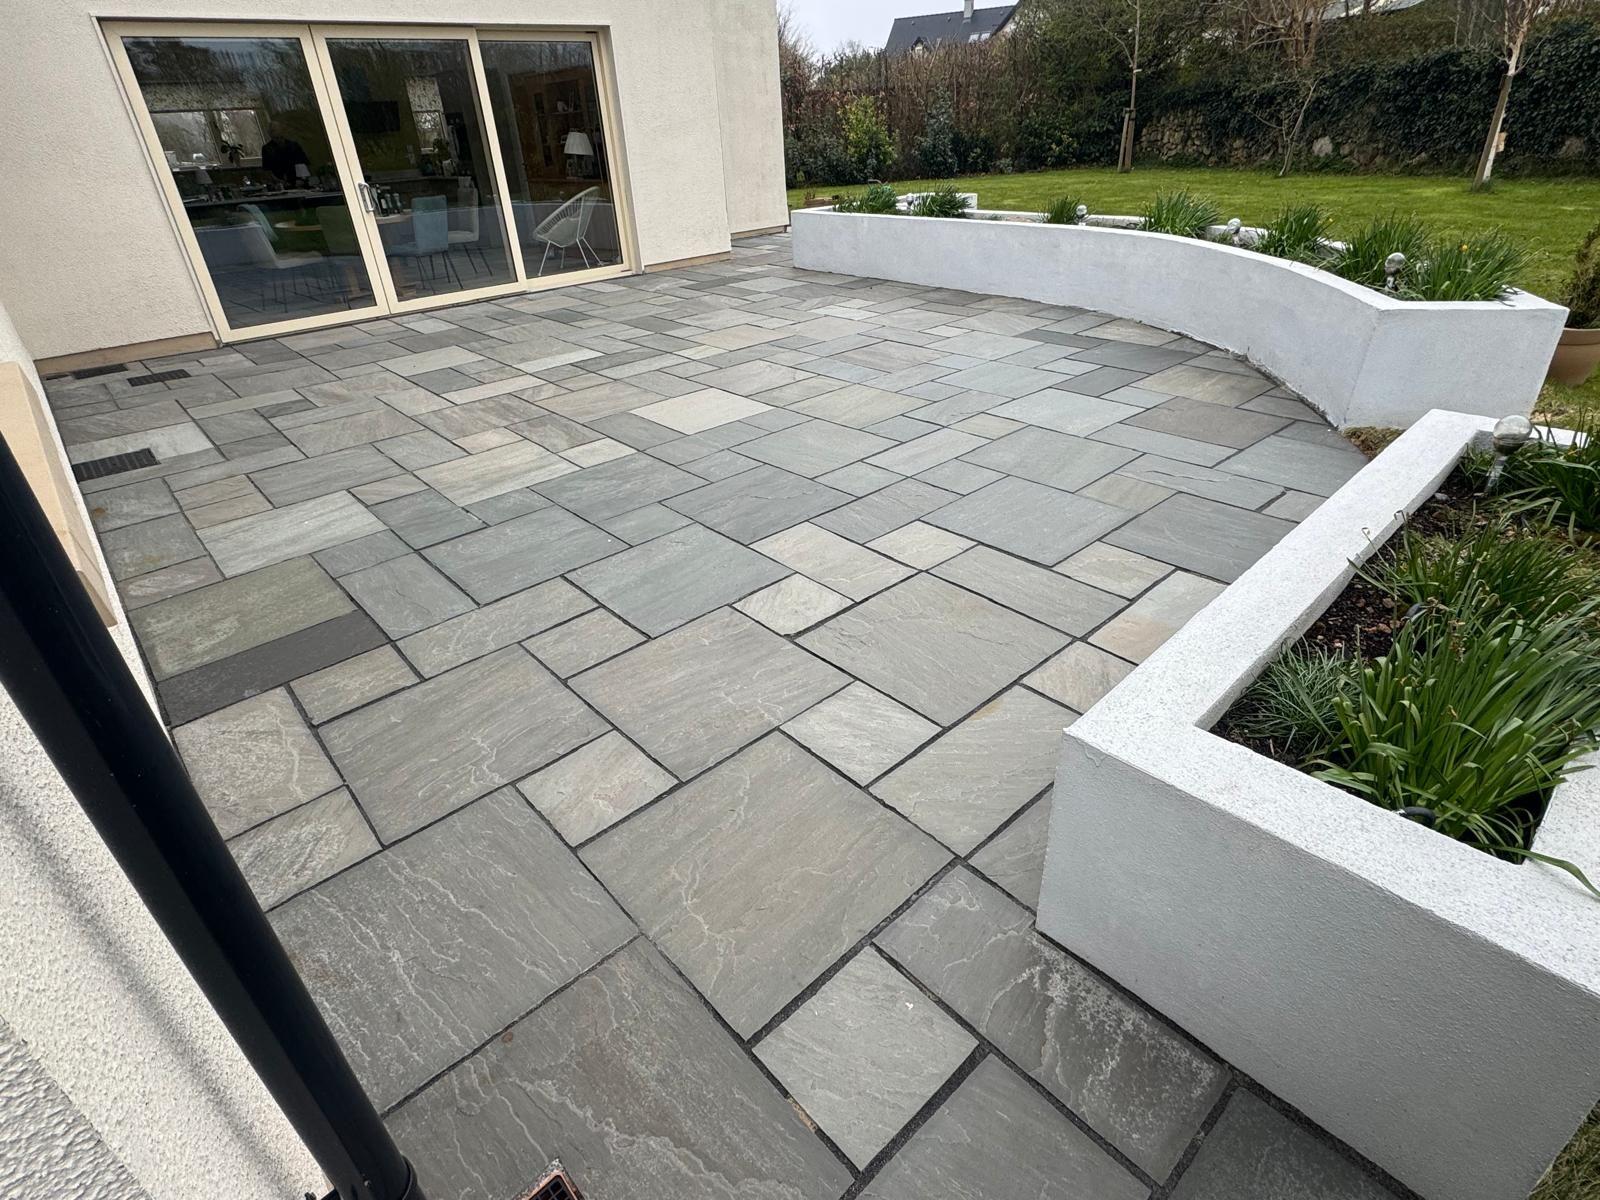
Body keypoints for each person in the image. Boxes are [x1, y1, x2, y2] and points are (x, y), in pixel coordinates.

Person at [260, 122, 309, 187]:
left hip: (297, 181)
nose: (279, 140)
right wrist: (277, 181)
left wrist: (302, 179)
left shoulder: (294, 146)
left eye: (281, 137)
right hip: (279, 183)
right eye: (276, 138)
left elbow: (303, 163)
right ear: (271, 136)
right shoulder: (267, 149)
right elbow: (267, 169)